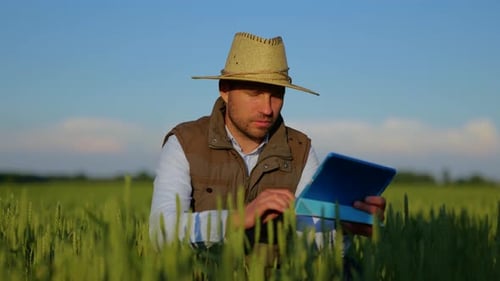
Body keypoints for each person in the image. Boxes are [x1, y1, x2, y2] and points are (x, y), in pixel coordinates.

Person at [149, 32, 386, 252]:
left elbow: (311, 237)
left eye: (277, 95)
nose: (267, 109)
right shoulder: (185, 142)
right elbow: (160, 232)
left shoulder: (300, 149)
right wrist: (239, 218)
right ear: (225, 89)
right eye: (254, 93)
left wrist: (347, 227)